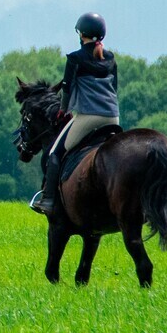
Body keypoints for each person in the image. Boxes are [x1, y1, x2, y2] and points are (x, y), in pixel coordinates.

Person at [30, 11, 119, 216]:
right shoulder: (111, 59)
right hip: (113, 116)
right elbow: (114, 87)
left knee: (55, 153)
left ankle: (48, 200)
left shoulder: (75, 59)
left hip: (88, 116)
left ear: (82, 35)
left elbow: (67, 89)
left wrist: (64, 110)